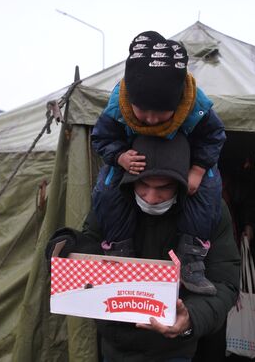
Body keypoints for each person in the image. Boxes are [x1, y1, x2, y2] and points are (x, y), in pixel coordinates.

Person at [47, 134, 240, 361]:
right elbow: (93, 246)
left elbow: (225, 281)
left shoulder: (209, 213)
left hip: (174, 349)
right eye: (143, 185)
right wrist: (67, 244)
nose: (151, 197)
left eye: (164, 188)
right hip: (115, 344)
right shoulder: (111, 204)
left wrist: (190, 319)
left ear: (182, 184)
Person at [91, 30, 226, 296]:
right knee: (107, 190)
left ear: (178, 102)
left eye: (161, 112)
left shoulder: (196, 106)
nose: (151, 120)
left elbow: (213, 137)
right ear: (131, 101)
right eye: (143, 111)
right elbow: (102, 137)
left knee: (209, 188)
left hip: (185, 160)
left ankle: (191, 257)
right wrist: (119, 156)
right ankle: (119, 250)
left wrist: (198, 170)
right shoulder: (118, 107)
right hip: (132, 162)